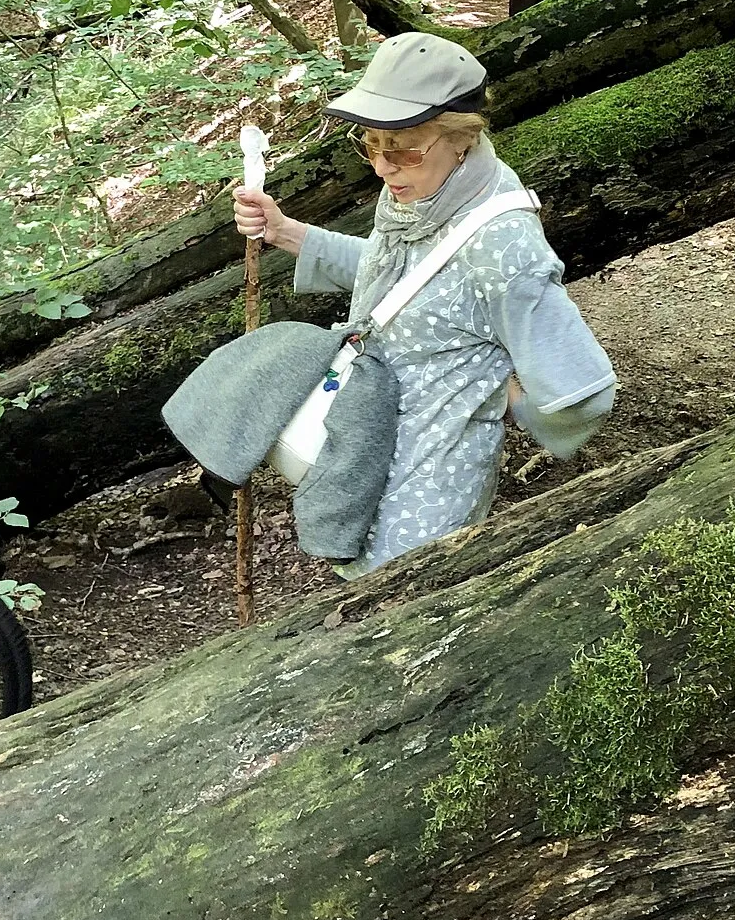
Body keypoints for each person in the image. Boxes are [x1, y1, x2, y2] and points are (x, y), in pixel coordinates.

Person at [232, 33, 616, 575]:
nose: (385, 168)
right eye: (371, 146)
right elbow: (414, 281)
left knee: (398, 626)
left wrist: (507, 402)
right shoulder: (425, 188)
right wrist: (287, 232)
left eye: (403, 149)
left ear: (462, 137)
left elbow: (585, 393)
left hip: (424, 501)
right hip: (367, 448)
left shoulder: (507, 249)